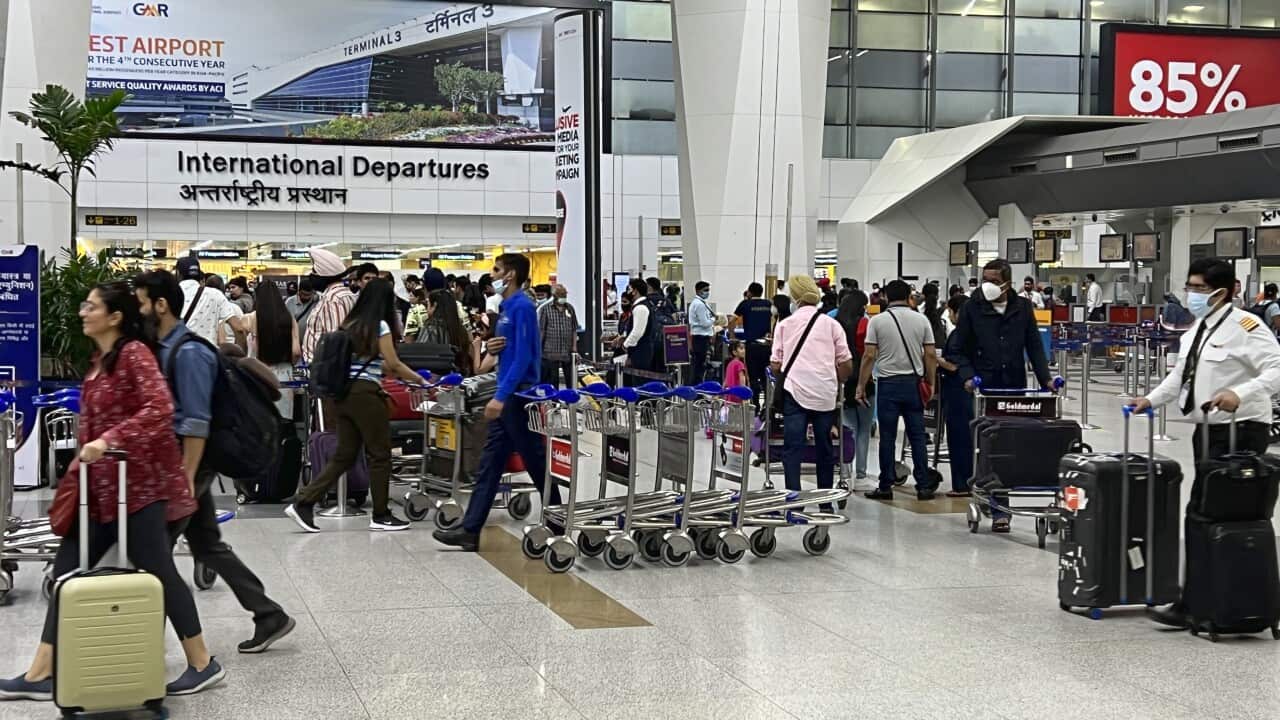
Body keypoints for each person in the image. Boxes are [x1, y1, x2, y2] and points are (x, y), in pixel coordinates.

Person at [0, 282, 223, 701]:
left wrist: (108, 441)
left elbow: (160, 409)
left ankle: (201, 662)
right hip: (99, 490)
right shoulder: (99, 359)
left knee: (158, 570)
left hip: (137, 488)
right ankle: (40, 672)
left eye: (91, 306)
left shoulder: (135, 355)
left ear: (115, 316)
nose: (83, 312)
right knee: (65, 572)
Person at [134, 270, 296, 655]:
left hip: (192, 465)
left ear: (160, 305)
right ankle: (267, 613)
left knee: (154, 551)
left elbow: (195, 422)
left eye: (141, 302)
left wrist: (186, 478)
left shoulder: (188, 352)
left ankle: (142, 648)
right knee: (207, 543)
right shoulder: (167, 346)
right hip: (190, 466)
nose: (136, 310)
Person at [1128, 258, 1280, 627]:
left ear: (1221, 293)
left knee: (1214, 514)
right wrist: (1150, 400)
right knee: (1202, 514)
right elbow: (1182, 375)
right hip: (1208, 430)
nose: (1191, 294)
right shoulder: (1199, 329)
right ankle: (1202, 600)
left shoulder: (1247, 326)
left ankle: (1211, 603)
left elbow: (1277, 368)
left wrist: (1240, 393)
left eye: (1198, 289)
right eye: (1190, 287)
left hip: (1239, 430)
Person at [432, 253, 565, 551]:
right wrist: (493, 346)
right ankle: (470, 529)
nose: (491, 274)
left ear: (511, 274)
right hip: (507, 393)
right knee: (491, 463)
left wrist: (500, 397)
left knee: (534, 460)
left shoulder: (523, 307)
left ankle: (557, 519)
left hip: (518, 397)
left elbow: (524, 357)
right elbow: (510, 350)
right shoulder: (506, 307)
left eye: (496, 269)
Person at [286, 279, 420, 533]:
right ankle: (381, 514)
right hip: (366, 395)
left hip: (343, 394)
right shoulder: (379, 326)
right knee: (379, 454)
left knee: (344, 455)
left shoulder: (350, 324)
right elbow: (392, 364)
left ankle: (304, 502)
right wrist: (420, 379)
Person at [947, 258, 1053, 530]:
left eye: (994, 281)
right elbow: (956, 349)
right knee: (990, 446)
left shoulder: (1022, 307)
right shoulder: (973, 307)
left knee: (1013, 443)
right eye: (985, 280)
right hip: (986, 388)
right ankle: (998, 507)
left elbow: (1034, 346)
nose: (988, 286)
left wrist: (1046, 379)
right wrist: (968, 376)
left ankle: (1001, 495)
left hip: (1015, 385)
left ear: (1007, 282)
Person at [771, 276, 852, 505]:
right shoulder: (831, 324)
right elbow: (846, 362)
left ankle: (794, 498)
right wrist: (834, 378)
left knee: (792, 446)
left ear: (794, 298)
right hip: (825, 393)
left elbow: (776, 364)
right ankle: (824, 500)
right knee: (824, 447)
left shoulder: (784, 325)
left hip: (794, 392)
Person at [858, 280, 937, 501]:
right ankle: (923, 486)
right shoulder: (921, 320)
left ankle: (885, 485)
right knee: (917, 436)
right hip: (913, 383)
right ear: (909, 296)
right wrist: (930, 383)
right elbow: (930, 354)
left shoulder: (878, 322)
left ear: (885, 297)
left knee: (888, 437)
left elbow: (869, 355)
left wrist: (861, 385)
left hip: (888, 385)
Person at [229, 276, 300, 419]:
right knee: (283, 422)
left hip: (257, 374)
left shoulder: (252, 318)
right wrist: (290, 362)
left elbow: (236, 327)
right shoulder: (289, 318)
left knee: (260, 422)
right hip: (284, 376)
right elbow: (296, 351)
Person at [938, 294, 974, 496]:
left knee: (959, 437)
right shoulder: (975, 333)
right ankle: (967, 481)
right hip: (964, 392)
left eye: (951, 311)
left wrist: (937, 360)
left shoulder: (960, 334)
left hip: (958, 391)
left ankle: (962, 484)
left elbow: (955, 365)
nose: (950, 316)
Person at [836, 290, 874, 483]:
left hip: (844, 380)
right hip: (865, 379)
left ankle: (845, 470)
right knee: (864, 429)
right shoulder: (865, 324)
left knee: (848, 427)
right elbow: (870, 353)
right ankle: (861, 472)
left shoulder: (836, 325)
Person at [301, 249, 357, 364]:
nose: (311, 276)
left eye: (314, 272)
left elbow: (336, 340)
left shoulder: (333, 299)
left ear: (324, 275)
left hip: (324, 369)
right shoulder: (347, 295)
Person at [176, 256, 239, 346]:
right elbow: (239, 329)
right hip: (207, 356)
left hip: (178, 355)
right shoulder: (215, 294)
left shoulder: (170, 295)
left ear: (178, 273)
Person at [727, 282, 774, 399]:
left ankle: (755, 403)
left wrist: (732, 336)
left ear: (749, 292)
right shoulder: (768, 304)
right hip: (766, 345)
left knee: (752, 376)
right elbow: (774, 320)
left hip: (751, 346)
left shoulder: (745, 304)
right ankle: (767, 406)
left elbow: (732, 319)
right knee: (765, 376)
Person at [418, 289, 479, 374]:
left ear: (434, 305)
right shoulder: (460, 329)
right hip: (459, 376)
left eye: (427, 305)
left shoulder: (430, 329)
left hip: (436, 379)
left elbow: (419, 355)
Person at [538, 284, 578, 387]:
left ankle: (570, 400)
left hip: (567, 351)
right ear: (554, 295)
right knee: (552, 381)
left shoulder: (570, 308)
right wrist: (539, 348)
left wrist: (574, 347)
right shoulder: (546, 309)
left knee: (570, 379)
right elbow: (542, 330)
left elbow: (574, 329)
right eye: (561, 294)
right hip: (550, 352)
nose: (563, 297)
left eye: (564, 294)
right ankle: (554, 402)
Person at [621, 278, 660, 379]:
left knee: (639, 381)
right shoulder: (641, 305)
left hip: (641, 351)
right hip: (641, 350)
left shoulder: (640, 308)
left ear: (635, 291)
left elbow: (638, 332)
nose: (628, 292)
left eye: (629, 289)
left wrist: (625, 345)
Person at [688, 281, 716, 384]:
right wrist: (714, 320)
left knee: (698, 366)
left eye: (708, 290)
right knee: (699, 367)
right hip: (701, 338)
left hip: (699, 338)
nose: (707, 292)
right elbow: (705, 323)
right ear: (698, 291)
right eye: (705, 290)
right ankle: (698, 393)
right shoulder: (699, 305)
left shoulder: (699, 303)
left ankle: (697, 391)